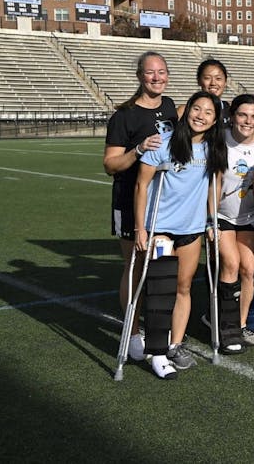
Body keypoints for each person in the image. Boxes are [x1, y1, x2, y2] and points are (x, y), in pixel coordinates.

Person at [134, 91, 227, 379]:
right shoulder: (163, 143)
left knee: (183, 288)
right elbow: (141, 185)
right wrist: (141, 227)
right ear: (187, 112)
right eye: (196, 109)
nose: (201, 115)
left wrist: (213, 222)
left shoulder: (213, 150)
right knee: (160, 289)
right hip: (161, 228)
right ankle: (157, 352)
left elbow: (216, 187)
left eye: (208, 112)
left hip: (192, 229)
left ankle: (175, 344)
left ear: (215, 120)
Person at [103, 51, 177, 362]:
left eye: (161, 72)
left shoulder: (171, 107)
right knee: (134, 267)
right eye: (150, 73)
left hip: (164, 202)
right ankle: (132, 331)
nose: (156, 77)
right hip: (130, 200)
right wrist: (138, 149)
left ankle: (157, 327)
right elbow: (110, 164)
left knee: (159, 269)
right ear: (140, 76)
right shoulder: (124, 115)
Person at [214, 94, 254, 352]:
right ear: (232, 116)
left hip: (249, 218)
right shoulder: (219, 139)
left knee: (249, 269)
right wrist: (209, 219)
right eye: (242, 115)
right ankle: (225, 327)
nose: (247, 121)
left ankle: (238, 325)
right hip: (221, 215)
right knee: (231, 263)